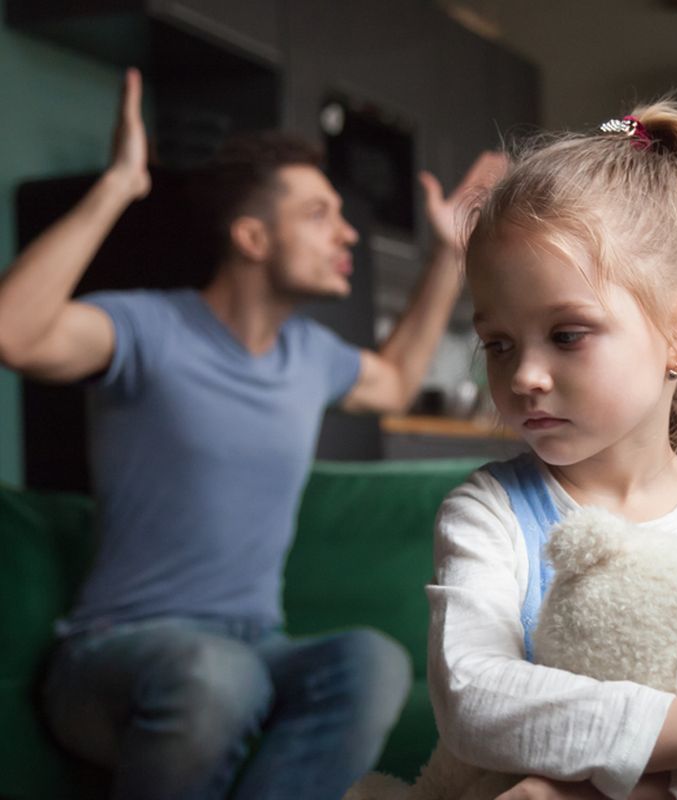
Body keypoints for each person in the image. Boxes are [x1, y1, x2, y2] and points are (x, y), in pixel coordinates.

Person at [0, 68, 505, 799]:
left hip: (254, 648)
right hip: (112, 657)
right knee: (216, 675)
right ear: (251, 236)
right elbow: (14, 333)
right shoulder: (151, 328)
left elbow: (394, 380)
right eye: (319, 215)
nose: (347, 233)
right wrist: (117, 187)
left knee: (372, 662)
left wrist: (447, 257)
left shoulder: (309, 357)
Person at [423, 101, 677, 800]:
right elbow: (472, 695)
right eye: (498, 344)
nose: (523, 376)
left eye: (568, 334)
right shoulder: (488, 513)